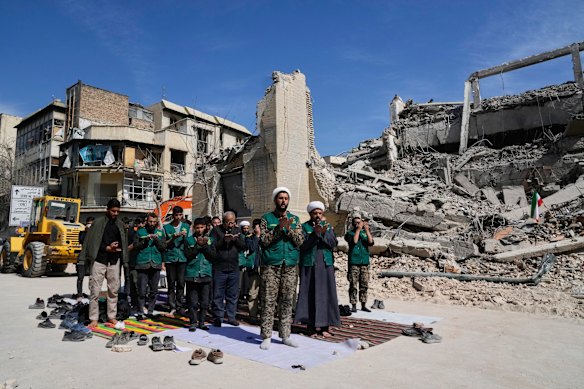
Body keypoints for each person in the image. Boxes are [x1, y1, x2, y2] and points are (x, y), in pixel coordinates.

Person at [259, 187, 305, 350]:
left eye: (286, 198)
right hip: (271, 265)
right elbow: (264, 240)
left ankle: (285, 335)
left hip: (290, 265)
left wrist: (289, 228)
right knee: (268, 300)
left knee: (286, 301)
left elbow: (300, 240)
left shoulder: (295, 219)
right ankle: (266, 336)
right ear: (275, 200)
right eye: (280, 198)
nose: (283, 201)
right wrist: (278, 228)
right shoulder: (266, 219)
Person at [78, 199, 128, 330]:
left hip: (114, 261)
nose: (115, 213)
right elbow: (91, 242)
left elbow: (124, 242)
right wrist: (106, 248)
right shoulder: (98, 223)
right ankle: (93, 318)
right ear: (107, 209)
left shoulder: (120, 225)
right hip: (99, 260)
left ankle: (112, 316)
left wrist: (117, 248)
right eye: (113, 211)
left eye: (118, 211)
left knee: (113, 290)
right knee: (95, 290)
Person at [295, 201, 340, 337]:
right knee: (310, 294)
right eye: (315, 213)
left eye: (320, 213)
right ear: (310, 214)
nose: (318, 216)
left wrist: (323, 233)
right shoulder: (304, 227)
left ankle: (325, 327)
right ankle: (311, 327)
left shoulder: (328, 227)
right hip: (310, 264)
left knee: (326, 294)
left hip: (326, 265)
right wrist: (314, 234)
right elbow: (302, 246)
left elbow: (333, 244)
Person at [209, 211, 246, 327]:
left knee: (232, 294)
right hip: (219, 267)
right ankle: (218, 317)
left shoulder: (237, 230)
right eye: (228, 222)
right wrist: (223, 240)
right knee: (218, 294)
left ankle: (231, 316)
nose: (230, 225)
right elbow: (212, 246)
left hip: (233, 267)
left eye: (233, 222)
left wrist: (235, 240)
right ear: (223, 221)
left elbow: (243, 246)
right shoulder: (215, 231)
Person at [184, 218, 215, 331]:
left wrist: (205, 245)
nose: (199, 230)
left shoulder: (211, 240)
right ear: (194, 228)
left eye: (202, 227)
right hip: (192, 273)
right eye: (197, 227)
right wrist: (197, 245)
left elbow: (213, 256)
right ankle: (193, 322)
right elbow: (188, 255)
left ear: (205, 228)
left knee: (205, 301)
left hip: (206, 273)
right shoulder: (188, 240)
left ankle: (202, 322)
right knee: (192, 300)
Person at [134, 213, 167, 318]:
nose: (152, 224)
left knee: (154, 290)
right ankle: (140, 311)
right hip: (143, 263)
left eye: (154, 222)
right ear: (146, 221)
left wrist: (156, 240)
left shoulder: (160, 233)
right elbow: (136, 246)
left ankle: (150, 311)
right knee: (142, 290)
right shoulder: (140, 232)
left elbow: (163, 247)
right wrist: (145, 240)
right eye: (150, 221)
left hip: (156, 263)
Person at [163, 206, 190, 315]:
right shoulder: (166, 227)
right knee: (171, 283)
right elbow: (164, 244)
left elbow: (189, 241)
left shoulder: (186, 227)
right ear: (173, 215)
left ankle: (179, 305)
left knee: (181, 283)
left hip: (182, 258)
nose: (178, 217)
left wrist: (185, 238)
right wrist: (173, 238)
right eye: (176, 215)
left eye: (180, 215)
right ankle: (172, 306)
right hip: (170, 258)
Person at [345, 216, 374, 313]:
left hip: (364, 262)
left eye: (359, 222)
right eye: (356, 223)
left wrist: (366, 230)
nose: (358, 224)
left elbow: (371, 242)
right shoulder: (349, 234)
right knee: (353, 284)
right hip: (354, 262)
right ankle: (353, 304)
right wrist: (358, 229)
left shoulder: (364, 234)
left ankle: (363, 304)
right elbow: (355, 241)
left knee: (364, 284)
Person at [126, 217, 144, 314]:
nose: (141, 225)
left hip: (143, 262)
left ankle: (140, 305)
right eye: (139, 223)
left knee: (141, 285)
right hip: (133, 262)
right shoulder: (132, 233)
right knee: (135, 284)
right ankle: (136, 305)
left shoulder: (145, 232)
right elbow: (129, 246)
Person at [75, 216, 95, 299]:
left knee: (93, 277)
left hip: (92, 257)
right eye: (88, 224)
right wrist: (86, 232)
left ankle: (93, 293)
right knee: (80, 277)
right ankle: (79, 294)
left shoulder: (96, 234)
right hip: (83, 257)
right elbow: (81, 240)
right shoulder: (82, 233)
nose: (89, 226)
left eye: (91, 224)